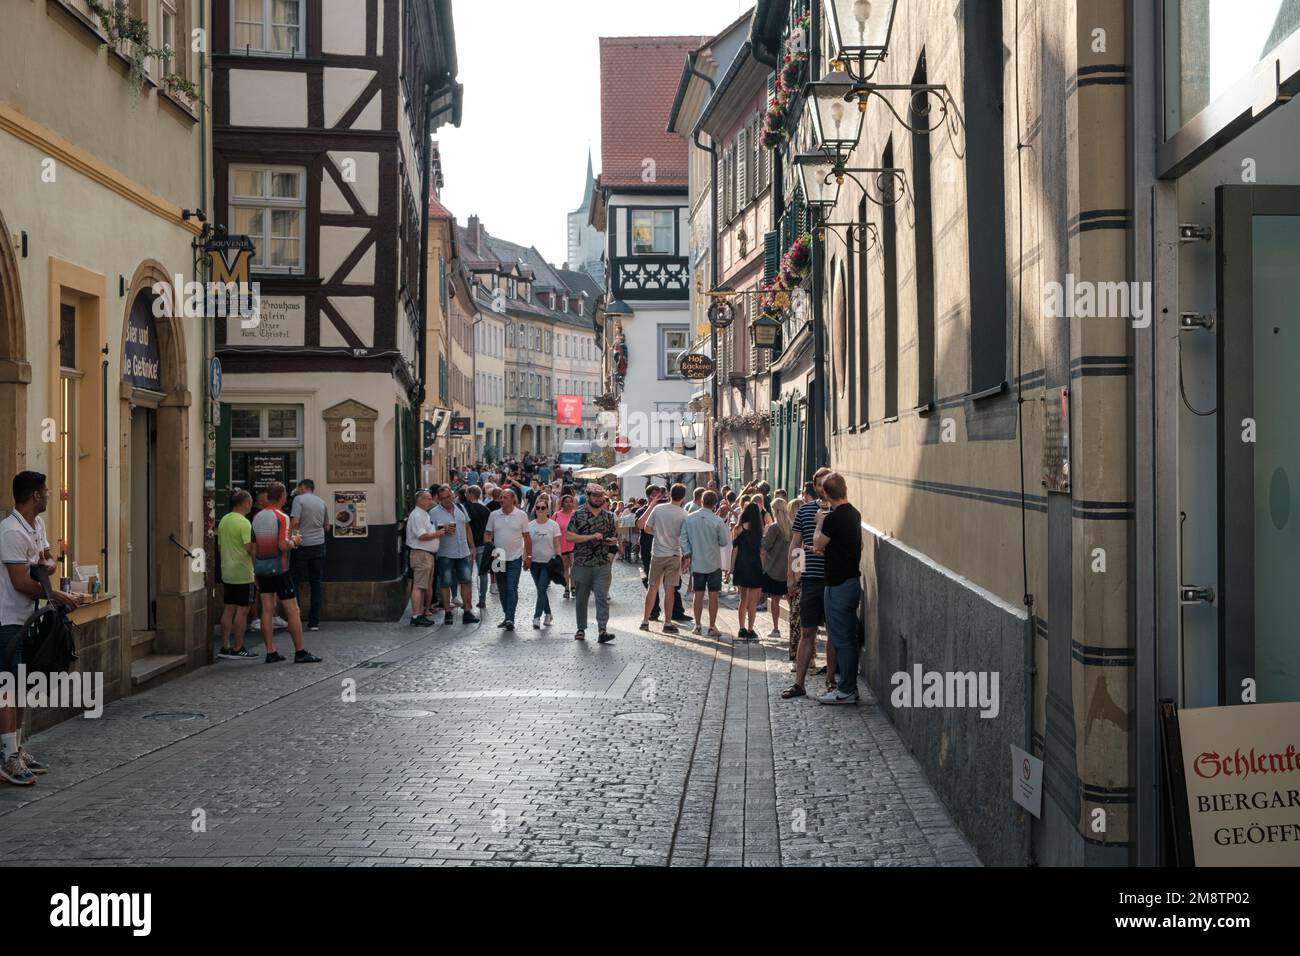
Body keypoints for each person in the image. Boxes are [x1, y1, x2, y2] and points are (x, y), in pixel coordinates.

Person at [1, 471, 77, 785]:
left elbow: (50, 560)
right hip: (7, 619)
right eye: (45, 490)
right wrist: (56, 595)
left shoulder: (37, 526)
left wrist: (47, 567)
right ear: (35, 495)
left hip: (30, 620)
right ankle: (7, 756)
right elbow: (20, 582)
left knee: (22, 687)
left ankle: (16, 748)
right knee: (7, 689)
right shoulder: (10, 532)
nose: (48, 494)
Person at [251, 483, 322, 663]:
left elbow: (253, 547)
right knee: (293, 610)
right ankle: (300, 651)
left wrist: (255, 571)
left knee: (267, 610)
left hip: (261, 568)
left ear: (268, 497)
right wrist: (295, 541)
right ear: (282, 496)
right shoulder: (282, 517)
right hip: (280, 569)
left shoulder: (257, 517)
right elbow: (283, 545)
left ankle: (270, 651)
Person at [783, 468, 833, 700]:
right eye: (820, 484)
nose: (823, 488)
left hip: (834, 578)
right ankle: (799, 683)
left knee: (833, 632)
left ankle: (831, 681)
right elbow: (796, 545)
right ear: (815, 486)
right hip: (811, 579)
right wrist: (793, 576)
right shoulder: (804, 511)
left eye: (827, 483)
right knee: (807, 631)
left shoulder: (838, 510)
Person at [814, 473, 863, 705]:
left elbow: (817, 544)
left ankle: (845, 690)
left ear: (826, 493)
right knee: (849, 639)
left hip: (838, 585)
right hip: (852, 581)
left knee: (842, 640)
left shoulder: (832, 519)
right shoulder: (854, 513)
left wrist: (819, 523)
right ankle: (849, 687)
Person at [566, 484, 618, 643]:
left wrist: (611, 547)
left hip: (602, 564)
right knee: (582, 598)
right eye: (595, 496)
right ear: (588, 497)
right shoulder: (578, 515)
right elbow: (569, 537)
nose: (598, 499)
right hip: (582, 563)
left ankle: (602, 630)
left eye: (600, 496)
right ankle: (580, 629)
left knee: (602, 597)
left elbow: (613, 538)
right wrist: (590, 537)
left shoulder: (609, 516)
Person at [640, 483, 689, 634]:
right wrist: (686, 557)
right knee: (670, 590)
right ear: (683, 497)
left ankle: (645, 621)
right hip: (674, 554)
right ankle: (667, 623)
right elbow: (684, 538)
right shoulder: (683, 514)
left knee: (652, 588)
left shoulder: (658, 509)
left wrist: (659, 534)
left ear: (670, 494)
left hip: (657, 553)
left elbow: (647, 528)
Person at [216, 489, 260, 660]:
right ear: (246, 503)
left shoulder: (224, 521)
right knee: (242, 611)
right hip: (243, 572)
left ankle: (225, 646)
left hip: (227, 571)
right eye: (250, 502)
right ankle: (238, 647)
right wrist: (256, 571)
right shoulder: (244, 523)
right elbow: (250, 549)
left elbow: (220, 547)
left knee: (228, 609)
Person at [680, 490, 729, 637]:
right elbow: (723, 542)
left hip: (697, 562)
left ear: (701, 501)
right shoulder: (717, 521)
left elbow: (683, 538)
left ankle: (698, 625)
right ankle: (712, 626)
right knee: (713, 595)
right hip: (713, 562)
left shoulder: (689, 519)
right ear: (714, 504)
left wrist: (688, 554)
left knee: (698, 594)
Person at [430, 484, 479, 625]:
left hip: (462, 551)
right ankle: (448, 612)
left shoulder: (461, 508)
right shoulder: (434, 513)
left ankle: (468, 611)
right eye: (443, 498)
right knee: (445, 583)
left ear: (452, 495)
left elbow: (467, 527)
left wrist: (472, 547)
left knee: (466, 581)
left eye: (448, 497)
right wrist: (442, 529)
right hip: (445, 553)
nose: (446, 500)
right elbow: (429, 532)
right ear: (439, 499)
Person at [483, 488, 530, 630]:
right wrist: (490, 547)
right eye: (501, 497)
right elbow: (487, 534)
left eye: (505, 497)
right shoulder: (493, 515)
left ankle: (510, 618)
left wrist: (528, 556)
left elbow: (527, 538)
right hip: (498, 556)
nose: (502, 500)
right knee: (502, 589)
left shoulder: (521, 515)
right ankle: (507, 615)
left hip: (515, 557)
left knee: (511, 588)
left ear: (513, 499)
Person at [289, 478, 328, 631]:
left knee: (294, 581)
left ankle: (295, 618)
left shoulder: (298, 500)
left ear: (303, 487)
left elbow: (295, 521)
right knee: (316, 583)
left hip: (302, 545)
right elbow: (327, 526)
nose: (297, 491)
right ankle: (314, 622)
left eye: (298, 488)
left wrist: (290, 535)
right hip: (319, 545)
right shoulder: (321, 502)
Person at [526, 495, 562, 628]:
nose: (540, 510)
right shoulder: (530, 526)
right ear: (535, 509)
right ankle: (548, 613)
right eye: (538, 507)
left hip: (548, 562)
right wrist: (526, 558)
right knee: (540, 590)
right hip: (534, 562)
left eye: (543, 508)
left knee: (542, 588)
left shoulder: (553, 525)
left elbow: (557, 543)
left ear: (548, 509)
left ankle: (536, 617)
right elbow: (526, 544)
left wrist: (558, 558)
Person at [731, 501, 765, 640]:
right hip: (755, 566)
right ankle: (751, 629)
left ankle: (741, 628)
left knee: (742, 599)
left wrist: (731, 568)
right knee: (753, 601)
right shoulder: (759, 530)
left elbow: (735, 550)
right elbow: (762, 553)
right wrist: (763, 568)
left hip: (741, 566)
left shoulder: (738, 529)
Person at [405, 490, 440, 626]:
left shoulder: (423, 514)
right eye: (427, 499)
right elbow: (422, 536)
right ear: (420, 500)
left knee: (424, 585)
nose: (430, 501)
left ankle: (420, 613)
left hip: (427, 554)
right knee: (419, 586)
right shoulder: (417, 515)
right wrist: (438, 533)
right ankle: (416, 615)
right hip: (421, 554)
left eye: (431, 498)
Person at [761, 496, 793, 640]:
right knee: (791, 600)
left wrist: (763, 534)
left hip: (774, 569)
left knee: (775, 600)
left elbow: (766, 545)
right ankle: (795, 627)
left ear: (775, 511)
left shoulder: (774, 527)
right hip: (789, 569)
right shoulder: (792, 526)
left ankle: (775, 629)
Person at [463, 485, 491, 609]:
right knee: (483, 573)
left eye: (466, 493)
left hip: (468, 546)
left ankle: (466, 601)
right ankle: (482, 598)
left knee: (467, 574)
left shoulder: (465, 508)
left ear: (470, 495)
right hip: (483, 545)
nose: (465, 496)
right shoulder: (486, 510)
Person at [555, 493, 577, 598]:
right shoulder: (556, 515)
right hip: (561, 544)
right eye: (566, 502)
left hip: (574, 544)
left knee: (574, 566)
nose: (568, 504)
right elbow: (552, 530)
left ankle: (573, 587)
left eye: (570, 502)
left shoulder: (576, 514)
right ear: (562, 503)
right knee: (565, 568)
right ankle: (566, 588)